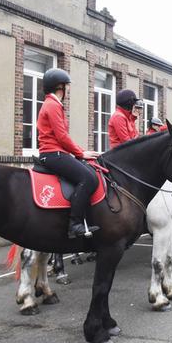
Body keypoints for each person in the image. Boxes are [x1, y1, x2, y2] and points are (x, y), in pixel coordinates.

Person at [36, 68, 100, 239]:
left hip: (56, 152)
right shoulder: (53, 105)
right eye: (67, 86)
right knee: (88, 178)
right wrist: (81, 153)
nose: (68, 90)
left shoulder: (52, 104)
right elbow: (62, 136)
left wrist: (80, 152)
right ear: (60, 86)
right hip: (53, 154)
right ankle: (75, 224)